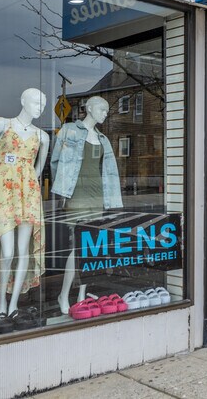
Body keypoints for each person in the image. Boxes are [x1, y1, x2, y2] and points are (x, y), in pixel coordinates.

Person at [0, 88, 49, 318]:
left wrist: (28, 183)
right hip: (3, 192)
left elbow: (38, 169)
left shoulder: (42, 136)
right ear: (23, 101)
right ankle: (1, 303)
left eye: (43, 105)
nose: (40, 108)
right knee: (7, 252)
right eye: (36, 102)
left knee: (22, 251)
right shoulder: (1, 124)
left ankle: (13, 304)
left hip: (28, 195)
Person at [50, 96, 122, 314]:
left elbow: (110, 172)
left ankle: (81, 295)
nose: (105, 113)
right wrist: (62, 190)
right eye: (102, 109)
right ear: (89, 108)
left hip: (97, 195)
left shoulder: (103, 139)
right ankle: (64, 294)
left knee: (90, 247)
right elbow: (55, 162)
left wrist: (112, 200)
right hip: (77, 194)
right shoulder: (69, 130)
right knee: (78, 246)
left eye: (107, 111)